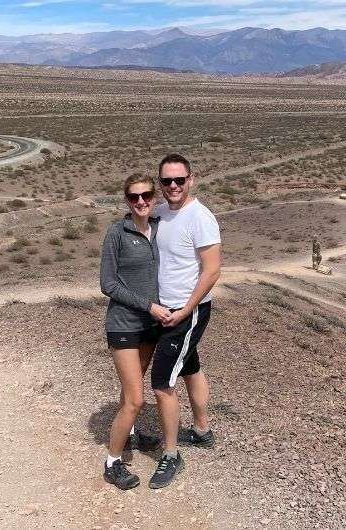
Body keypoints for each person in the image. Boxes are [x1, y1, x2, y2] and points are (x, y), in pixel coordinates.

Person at [148, 153, 222, 489]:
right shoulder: (161, 213)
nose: (173, 186)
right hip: (165, 309)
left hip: (185, 312)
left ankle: (171, 454)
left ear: (191, 179)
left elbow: (212, 270)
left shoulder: (201, 217)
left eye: (180, 180)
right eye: (167, 181)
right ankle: (202, 431)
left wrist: (186, 309)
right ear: (160, 182)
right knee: (189, 365)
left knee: (163, 381)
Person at [99, 173, 173, 490]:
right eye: (133, 197)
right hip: (124, 325)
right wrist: (148, 305)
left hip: (151, 326)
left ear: (153, 196)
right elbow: (108, 284)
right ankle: (112, 462)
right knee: (136, 400)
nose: (140, 201)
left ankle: (130, 434)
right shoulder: (117, 233)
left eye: (145, 195)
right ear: (126, 201)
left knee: (133, 388)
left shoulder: (160, 229)